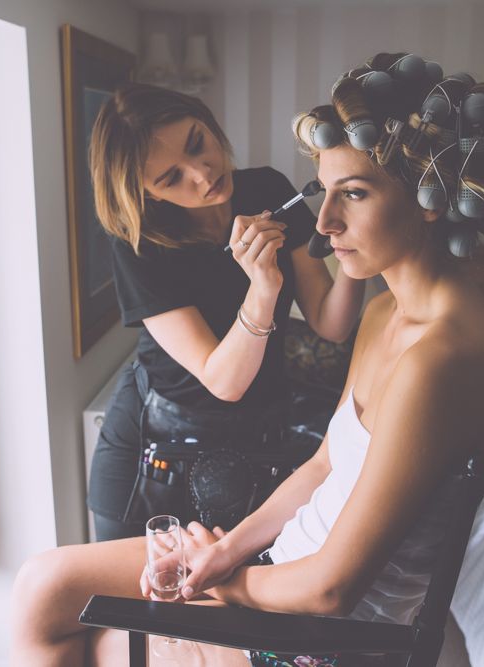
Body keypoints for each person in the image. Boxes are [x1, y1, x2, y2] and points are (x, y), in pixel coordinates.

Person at [11, 53, 484, 666]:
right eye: (327, 194)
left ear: (428, 200)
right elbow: (320, 466)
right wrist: (221, 556)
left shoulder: (443, 359)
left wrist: (215, 583)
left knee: (92, 641)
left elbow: (331, 589)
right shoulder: (388, 315)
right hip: (207, 476)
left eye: (353, 194)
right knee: (42, 587)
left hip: (319, 636)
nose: (326, 222)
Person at [86, 83, 365, 541]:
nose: (201, 173)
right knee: (140, 604)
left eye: (197, 143)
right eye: (170, 178)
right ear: (148, 194)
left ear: (207, 120)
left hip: (258, 439)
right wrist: (263, 287)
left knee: (240, 598)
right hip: (155, 458)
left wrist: (357, 239)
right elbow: (224, 381)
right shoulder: (138, 245)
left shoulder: (268, 189)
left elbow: (330, 323)